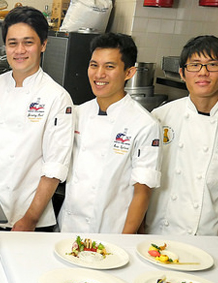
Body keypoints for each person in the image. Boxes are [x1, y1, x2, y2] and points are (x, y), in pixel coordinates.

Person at [0, 6, 74, 236]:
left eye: (28, 42)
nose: (19, 50)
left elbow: (54, 166)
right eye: (12, 43)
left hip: (29, 218)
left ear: (43, 44)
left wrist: (30, 218)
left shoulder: (56, 97)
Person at [146, 35, 218, 236]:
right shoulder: (160, 117)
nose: (203, 73)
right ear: (182, 73)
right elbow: (145, 181)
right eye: (195, 65)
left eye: (212, 65)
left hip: (209, 236)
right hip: (158, 232)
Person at [58, 33, 161, 234]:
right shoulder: (77, 113)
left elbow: (142, 193)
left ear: (129, 72)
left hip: (111, 233)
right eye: (94, 65)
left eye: (110, 67)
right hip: (66, 227)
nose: (99, 74)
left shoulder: (144, 124)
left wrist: (124, 242)